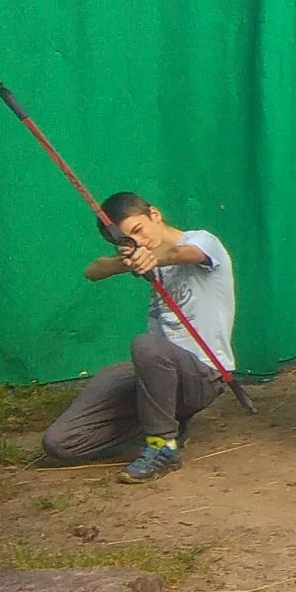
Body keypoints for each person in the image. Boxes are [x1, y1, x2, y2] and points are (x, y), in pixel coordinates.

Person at [41, 192, 237, 485]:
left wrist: (152, 257)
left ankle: (163, 446)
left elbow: (180, 253)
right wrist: (127, 261)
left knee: (146, 346)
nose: (139, 241)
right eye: (128, 240)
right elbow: (93, 271)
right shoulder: (137, 256)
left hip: (203, 375)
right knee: (59, 442)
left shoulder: (203, 240)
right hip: (157, 373)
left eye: (138, 230)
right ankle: (164, 423)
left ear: (154, 215)